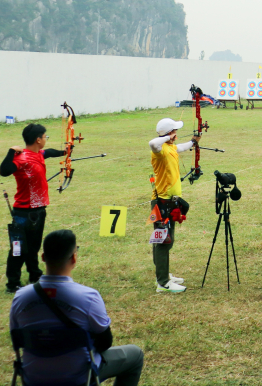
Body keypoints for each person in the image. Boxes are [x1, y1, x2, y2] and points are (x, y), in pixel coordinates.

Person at [9, 229, 145, 386]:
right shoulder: (88, 297)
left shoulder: (20, 297)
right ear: (74, 258)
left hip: (32, 376)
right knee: (135, 355)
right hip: (79, 376)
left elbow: (16, 336)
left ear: (43, 257)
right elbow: (105, 342)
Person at [1, 124, 64, 294]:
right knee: (18, 249)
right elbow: (4, 170)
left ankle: (35, 275)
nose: (45, 139)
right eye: (45, 137)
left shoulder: (38, 154)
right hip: (23, 212)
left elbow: (49, 152)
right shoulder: (22, 158)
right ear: (38, 139)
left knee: (34, 247)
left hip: (38, 210)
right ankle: (12, 283)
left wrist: (65, 151)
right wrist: (10, 152)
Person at [147, 118, 197, 293]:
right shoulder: (159, 150)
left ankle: (164, 275)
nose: (176, 134)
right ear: (168, 133)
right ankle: (163, 283)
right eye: (174, 130)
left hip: (170, 201)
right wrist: (167, 137)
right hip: (162, 202)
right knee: (163, 242)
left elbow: (181, 147)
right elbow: (152, 142)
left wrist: (193, 141)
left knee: (166, 240)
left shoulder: (170, 148)